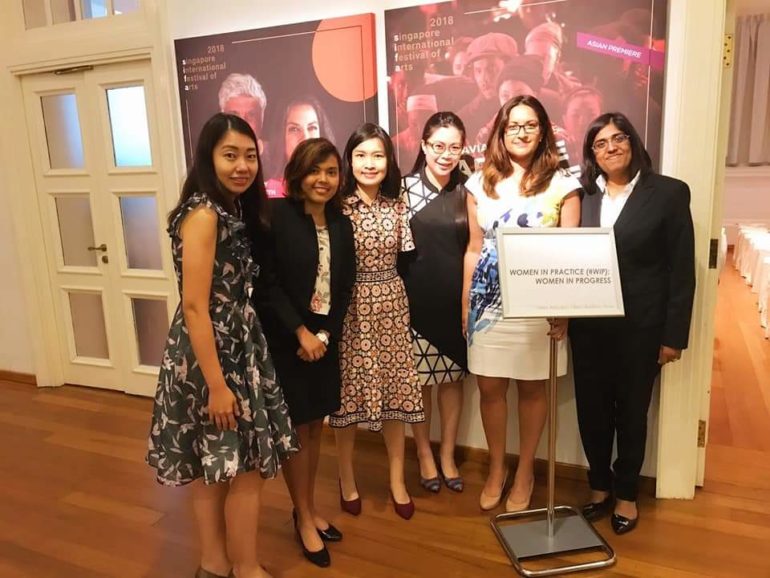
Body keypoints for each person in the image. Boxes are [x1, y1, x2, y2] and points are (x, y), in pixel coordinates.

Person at [147, 113, 298, 578]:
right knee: (244, 467)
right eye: (230, 155)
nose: (242, 166)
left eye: (249, 156)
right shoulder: (205, 214)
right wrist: (216, 385)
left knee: (216, 464)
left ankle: (214, 565)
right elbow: (194, 306)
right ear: (208, 157)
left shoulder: (228, 208)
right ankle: (242, 567)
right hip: (213, 352)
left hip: (232, 342)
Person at [570, 112, 695, 535]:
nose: (611, 148)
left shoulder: (670, 194)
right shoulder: (581, 196)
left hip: (642, 329)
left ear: (633, 141)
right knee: (592, 412)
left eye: (618, 138)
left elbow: (681, 271)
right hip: (587, 328)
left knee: (632, 415)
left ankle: (626, 494)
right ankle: (599, 488)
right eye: (600, 143)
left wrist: (673, 336)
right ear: (592, 154)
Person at [462, 95, 580, 512]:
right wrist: (465, 306)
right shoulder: (480, 182)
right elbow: (474, 250)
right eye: (513, 125)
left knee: (533, 389)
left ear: (543, 130)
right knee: (490, 388)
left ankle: (526, 469)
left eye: (530, 125)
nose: (522, 132)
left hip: (539, 301)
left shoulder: (564, 184)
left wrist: (563, 309)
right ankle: (497, 467)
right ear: (500, 131)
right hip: (488, 304)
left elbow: (570, 254)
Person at [257, 138, 355, 567]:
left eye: (332, 172)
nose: (324, 179)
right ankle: (301, 518)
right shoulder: (277, 217)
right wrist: (300, 333)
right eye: (316, 171)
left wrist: (326, 336)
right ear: (298, 174)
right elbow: (267, 284)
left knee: (316, 428)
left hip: (324, 343)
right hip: (287, 342)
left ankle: (308, 509)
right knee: (297, 430)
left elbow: (343, 286)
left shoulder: (341, 224)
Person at [329, 123, 423, 520]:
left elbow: (407, 259)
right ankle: (345, 476)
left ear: (388, 161)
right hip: (350, 308)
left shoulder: (397, 205)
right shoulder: (336, 206)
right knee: (347, 397)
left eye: (378, 155)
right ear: (349, 160)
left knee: (396, 395)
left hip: (391, 303)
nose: (370, 163)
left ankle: (397, 479)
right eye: (362, 155)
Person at [399, 112, 469, 494]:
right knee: (421, 384)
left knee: (453, 382)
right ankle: (425, 454)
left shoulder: (469, 189)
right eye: (438, 146)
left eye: (454, 147)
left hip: (457, 301)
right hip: (415, 301)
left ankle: (448, 454)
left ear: (463, 149)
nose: (445, 154)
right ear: (424, 145)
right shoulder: (404, 190)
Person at [265, 96, 336, 199]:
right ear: (281, 136)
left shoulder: (336, 190)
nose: (305, 137)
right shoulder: (267, 192)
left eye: (312, 128)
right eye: (294, 129)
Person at [458, 32, 519, 141]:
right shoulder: (465, 118)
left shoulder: (541, 102)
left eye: (491, 69)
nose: (484, 79)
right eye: (478, 71)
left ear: (509, 67)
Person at [218, 73, 267, 153]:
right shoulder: (211, 159)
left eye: (251, 115)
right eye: (234, 116)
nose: (243, 124)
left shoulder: (277, 156)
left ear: (261, 117)